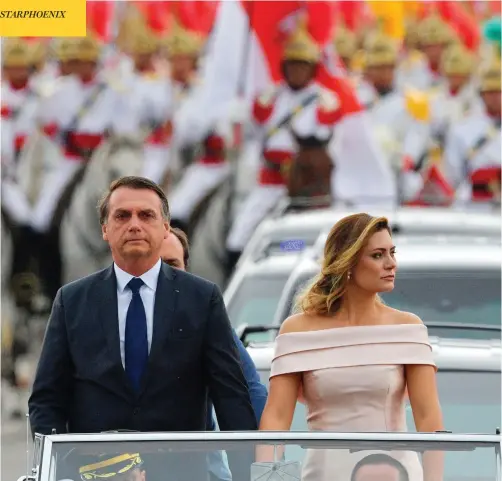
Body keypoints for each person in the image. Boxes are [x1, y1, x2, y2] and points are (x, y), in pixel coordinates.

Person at [28, 176, 257, 481]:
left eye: (146, 215)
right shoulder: (72, 301)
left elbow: (231, 398)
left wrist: (246, 474)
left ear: (165, 228)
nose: (134, 224)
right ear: (105, 230)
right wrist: (57, 470)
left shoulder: (202, 299)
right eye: (122, 216)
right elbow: (46, 399)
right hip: (94, 475)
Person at [258, 213, 444, 481]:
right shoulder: (298, 331)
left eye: (392, 252)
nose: (391, 263)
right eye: (378, 255)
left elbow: (429, 419)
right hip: (323, 474)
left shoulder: (407, 329)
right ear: (347, 262)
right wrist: (268, 479)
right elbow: (276, 418)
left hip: (397, 474)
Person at [159, 227, 268, 481]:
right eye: (155, 266)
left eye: (172, 264)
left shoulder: (206, 320)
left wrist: (263, 464)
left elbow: (250, 392)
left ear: (187, 270)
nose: (165, 275)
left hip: (200, 468)